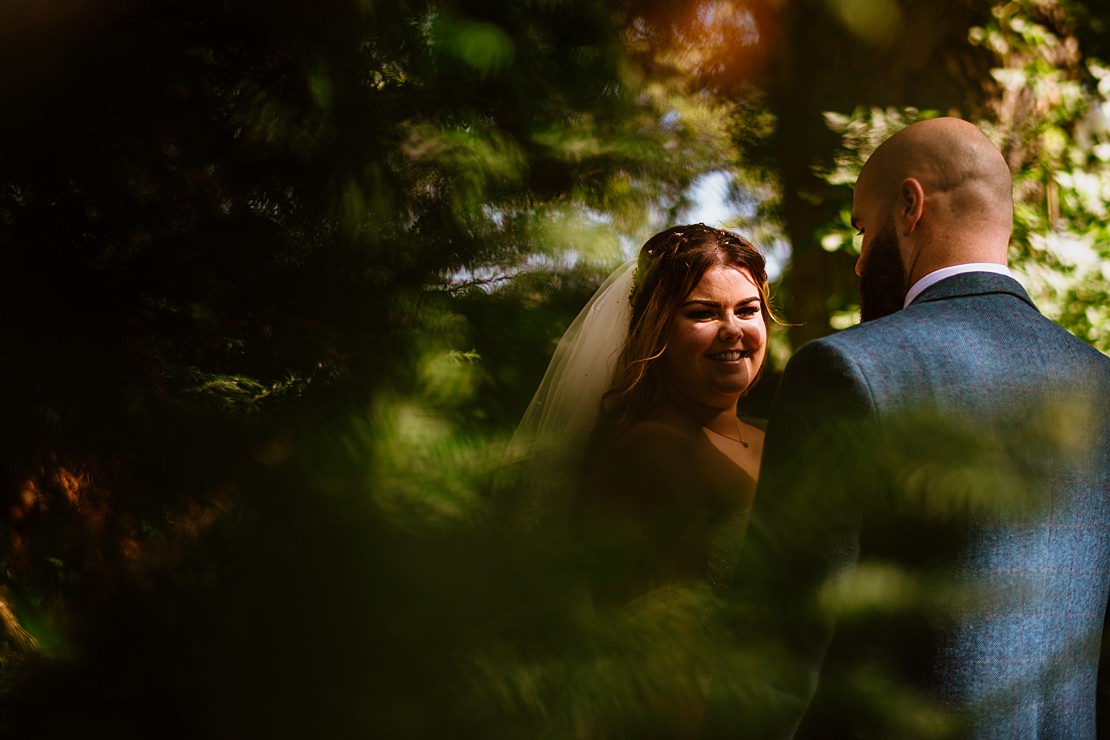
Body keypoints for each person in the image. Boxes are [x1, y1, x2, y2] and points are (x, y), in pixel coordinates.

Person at [728, 117, 1110, 738]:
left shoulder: (846, 370)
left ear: (909, 206)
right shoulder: (1101, 382)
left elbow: (779, 646)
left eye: (861, 229)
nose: (858, 263)